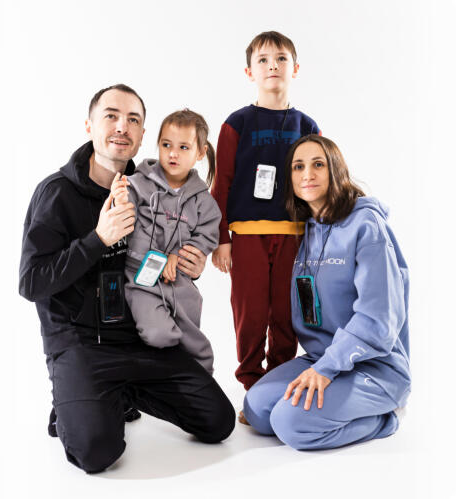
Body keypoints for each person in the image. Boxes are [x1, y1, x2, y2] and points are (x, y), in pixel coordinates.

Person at [19, 84, 235, 474]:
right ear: (89, 125)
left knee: (218, 421)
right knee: (96, 452)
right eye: (111, 116)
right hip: (83, 344)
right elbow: (31, 283)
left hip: (140, 338)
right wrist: (98, 239)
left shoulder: (154, 186)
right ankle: (78, 399)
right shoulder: (57, 193)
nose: (122, 126)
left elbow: (173, 249)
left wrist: (194, 261)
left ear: (141, 135)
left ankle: (118, 395)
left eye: (133, 119)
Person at [243, 135, 411, 449]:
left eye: (318, 164)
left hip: (375, 366)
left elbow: (379, 318)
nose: (307, 174)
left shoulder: (366, 224)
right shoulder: (307, 230)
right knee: (258, 410)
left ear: (335, 169)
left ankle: (387, 418)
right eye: (298, 166)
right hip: (321, 357)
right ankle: (327, 404)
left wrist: (327, 368)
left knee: (290, 424)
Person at [210, 31, 321, 421]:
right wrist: (221, 239)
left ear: (295, 68)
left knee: (288, 315)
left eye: (281, 58)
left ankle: (279, 386)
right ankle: (253, 388)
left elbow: (317, 186)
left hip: (296, 237)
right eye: (263, 60)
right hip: (247, 236)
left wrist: (318, 239)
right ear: (249, 72)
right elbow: (221, 183)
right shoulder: (237, 123)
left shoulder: (307, 125)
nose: (272, 65)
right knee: (251, 315)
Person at [110, 109, 221, 374]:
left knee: (197, 346)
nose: (173, 154)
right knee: (160, 334)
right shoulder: (138, 184)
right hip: (142, 278)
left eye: (183, 147)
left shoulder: (204, 201)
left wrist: (178, 256)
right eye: (166, 145)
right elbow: (122, 217)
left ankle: (201, 385)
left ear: (200, 152)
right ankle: (166, 372)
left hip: (179, 281)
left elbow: (206, 236)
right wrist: (119, 201)